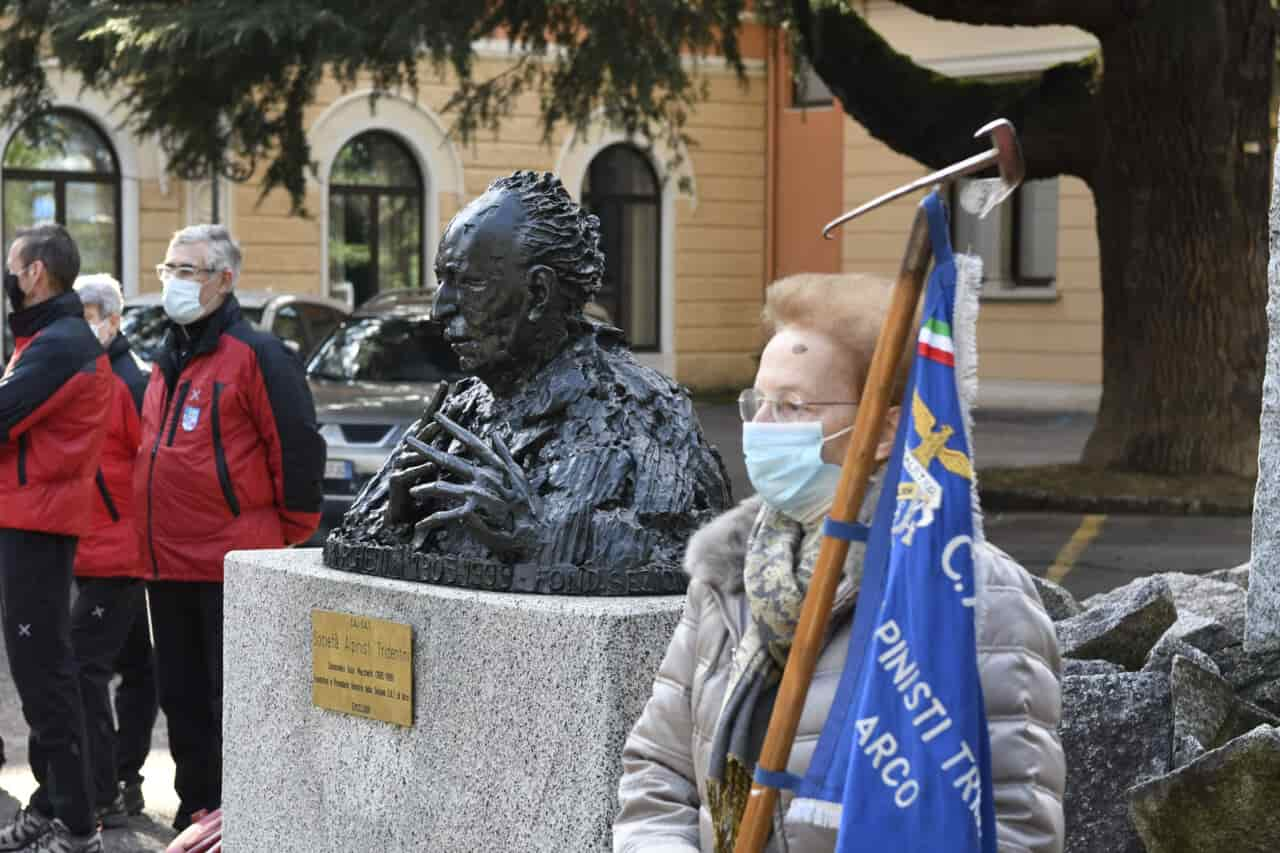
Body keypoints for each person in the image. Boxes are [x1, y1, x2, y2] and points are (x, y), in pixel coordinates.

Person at [613, 273, 1065, 853]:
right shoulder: (729, 578)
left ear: (883, 430)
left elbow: (1014, 827)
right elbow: (658, 772)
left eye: (794, 406)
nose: (761, 429)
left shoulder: (974, 595)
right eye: (758, 403)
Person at [331, 170, 730, 584]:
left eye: (469, 283)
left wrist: (541, 537)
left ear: (539, 292)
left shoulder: (648, 413)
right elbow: (351, 543)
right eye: (442, 281)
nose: (440, 308)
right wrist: (395, 517)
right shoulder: (459, 409)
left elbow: (692, 557)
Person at [134, 224, 324, 831]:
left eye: (188, 271)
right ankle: (196, 813)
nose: (175, 282)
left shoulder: (257, 355)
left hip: (232, 564)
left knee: (235, 705)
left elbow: (296, 447)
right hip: (166, 563)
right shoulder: (169, 355)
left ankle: (243, 822)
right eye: (169, 269)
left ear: (224, 279)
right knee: (182, 701)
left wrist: (283, 534)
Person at [0, 224, 111, 853]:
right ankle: (52, 804)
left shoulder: (60, 343)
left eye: (12, 266)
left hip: (37, 525)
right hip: (29, 519)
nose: (8, 276)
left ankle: (74, 825)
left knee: (45, 675)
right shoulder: (48, 338)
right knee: (41, 671)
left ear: (36, 272)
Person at [68, 274, 157, 828]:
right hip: (98, 546)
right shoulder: (92, 373)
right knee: (135, 666)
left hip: (118, 552)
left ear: (113, 318)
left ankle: (105, 791)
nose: (78, 325)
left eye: (87, 314)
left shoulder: (129, 381)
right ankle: (124, 778)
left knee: (83, 667)